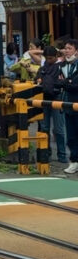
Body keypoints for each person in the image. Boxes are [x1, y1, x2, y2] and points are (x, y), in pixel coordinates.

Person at [36, 45, 67, 163]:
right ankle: (56, 155)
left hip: (52, 99)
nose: (49, 60)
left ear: (56, 57)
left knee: (54, 128)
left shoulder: (59, 67)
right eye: (47, 58)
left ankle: (55, 154)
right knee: (48, 128)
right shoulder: (47, 68)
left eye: (51, 58)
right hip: (48, 99)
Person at [57, 39, 78, 174]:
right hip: (67, 105)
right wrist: (67, 82)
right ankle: (74, 161)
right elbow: (57, 82)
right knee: (71, 135)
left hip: (76, 103)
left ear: (76, 51)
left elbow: (75, 85)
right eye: (65, 48)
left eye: (70, 48)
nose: (67, 51)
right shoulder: (62, 65)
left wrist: (65, 82)